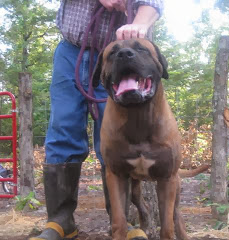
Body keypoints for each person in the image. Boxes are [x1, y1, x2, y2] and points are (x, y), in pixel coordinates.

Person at [31, 1, 163, 239]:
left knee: (118, 139)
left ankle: (121, 222)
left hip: (119, 59)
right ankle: (60, 221)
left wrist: (139, 24)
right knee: (63, 128)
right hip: (71, 51)